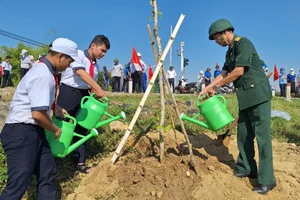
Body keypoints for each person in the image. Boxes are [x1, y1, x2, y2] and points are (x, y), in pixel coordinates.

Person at [199, 18, 276, 195]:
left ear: (225, 32)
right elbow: (224, 73)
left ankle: (267, 180)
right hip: (245, 98)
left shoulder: (243, 43)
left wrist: (216, 87)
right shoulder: (229, 52)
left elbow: (238, 71)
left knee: (262, 138)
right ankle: (247, 168)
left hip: (258, 96)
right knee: (244, 135)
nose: (217, 42)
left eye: (217, 38)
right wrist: (207, 88)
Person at [0, 37, 80, 200]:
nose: (68, 66)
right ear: (60, 56)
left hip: (33, 132)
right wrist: (55, 129)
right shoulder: (43, 74)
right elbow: (37, 114)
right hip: (21, 132)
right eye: (69, 61)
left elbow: (35, 101)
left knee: (47, 173)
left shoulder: (44, 72)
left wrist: (55, 107)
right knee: (18, 184)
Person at [56, 35, 109, 174]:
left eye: (105, 52)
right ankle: (53, 154)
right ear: (93, 45)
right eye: (102, 50)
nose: (102, 54)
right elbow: (80, 72)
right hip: (69, 92)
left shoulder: (95, 66)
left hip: (84, 95)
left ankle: (80, 161)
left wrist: (94, 94)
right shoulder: (77, 54)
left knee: (82, 128)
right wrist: (98, 88)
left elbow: (89, 82)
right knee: (63, 123)